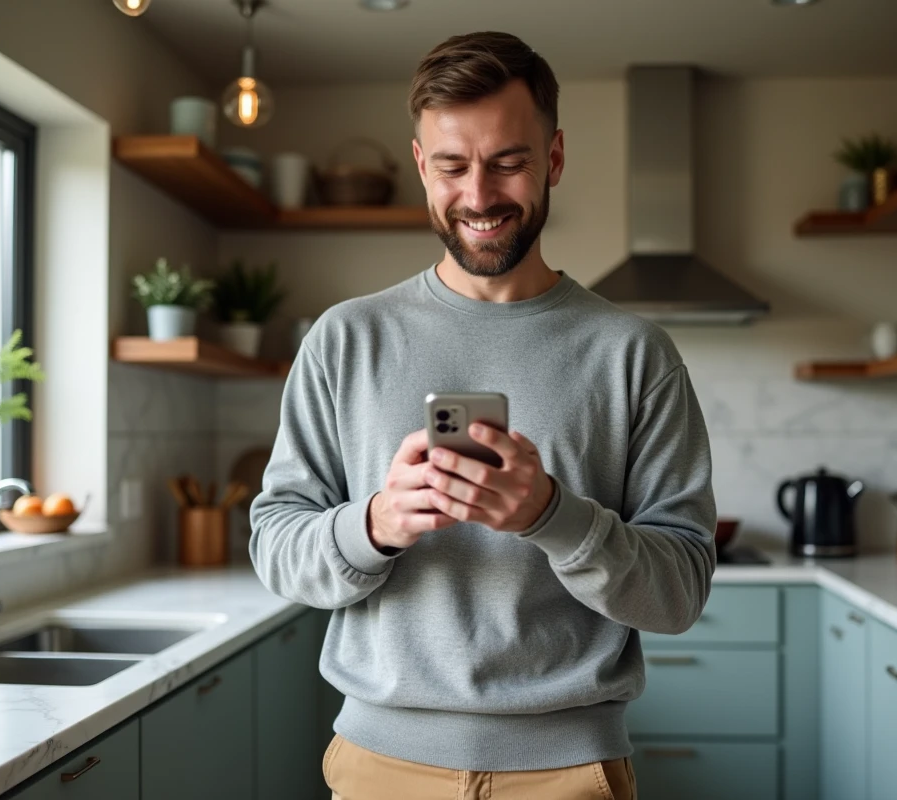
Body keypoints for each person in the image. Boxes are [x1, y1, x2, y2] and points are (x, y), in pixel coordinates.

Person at [249, 30, 717, 800]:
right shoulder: (344, 338)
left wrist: (553, 516)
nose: (478, 196)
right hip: (379, 766)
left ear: (555, 158)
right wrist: (373, 524)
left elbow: (681, 592)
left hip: (571, 773)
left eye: (508, 162)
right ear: (420, 164)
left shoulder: (633, 354)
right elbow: (274, 543)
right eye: (452, 166)